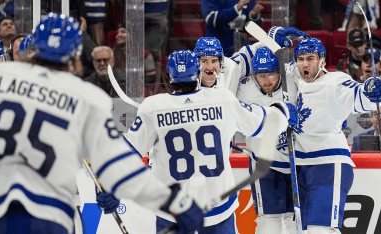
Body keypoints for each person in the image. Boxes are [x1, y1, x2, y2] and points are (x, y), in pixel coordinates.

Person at [0, 12, 204, 234]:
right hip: (48, 217)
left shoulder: (1, 75)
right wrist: (174, 200)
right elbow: (119, 167)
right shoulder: (87, 97)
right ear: (76, 54)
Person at [115, 49, 297, 233]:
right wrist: (283, 111)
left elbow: (126, 151)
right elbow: (262, 123)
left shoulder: (152, 107)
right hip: (218, 208)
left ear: (169, 76)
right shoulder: (221, 99)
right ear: (198, 72)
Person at [288, 38, 381, 233]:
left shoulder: (335, 82)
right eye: (300, 59)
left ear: (322, 60)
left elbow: (357, 95)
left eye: (311, 58)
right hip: (300, 166)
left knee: (321, 230)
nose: (305, 64)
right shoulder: (294, 79)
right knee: (300, 230)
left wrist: (371, 92)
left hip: (328, 165)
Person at [236, 47, 298, 233]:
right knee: (268, 222)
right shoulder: (243, 88)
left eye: (271, 74)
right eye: (261, 76)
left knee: (294, 220)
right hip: (263, 165)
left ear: (279, 71)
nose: (267, 81)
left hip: (294, 163)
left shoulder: (293, 80)